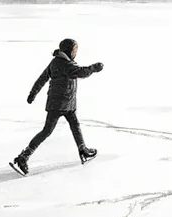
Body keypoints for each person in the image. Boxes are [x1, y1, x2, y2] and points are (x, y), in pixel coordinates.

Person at [9, 38, 104, 176]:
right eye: (74, 50)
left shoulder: (58, 62)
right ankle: (23, 157)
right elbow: (80, 72)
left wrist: (33, 93)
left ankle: (82, 149)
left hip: (67, 104)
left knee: (75, 125)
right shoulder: (64, 64)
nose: (75, 53)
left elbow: (42, 78)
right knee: (47, 131)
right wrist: (94, 68)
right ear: (67, 51)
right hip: (59, 105)